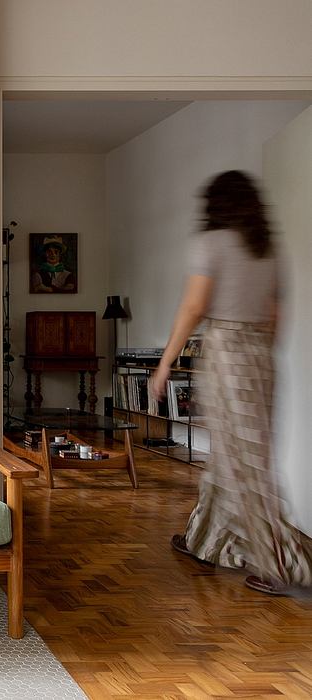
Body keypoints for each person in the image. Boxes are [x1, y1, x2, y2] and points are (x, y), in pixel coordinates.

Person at [151, 170, 312, 595]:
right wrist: (261, 353)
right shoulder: (268, 249)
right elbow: (276, 315)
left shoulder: (211, 243)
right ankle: (204, 540)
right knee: (232, 454)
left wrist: (166, 363)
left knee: (245, 463)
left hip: (227, 352)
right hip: (261, 357)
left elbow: (194, 308)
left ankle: (281, 566)